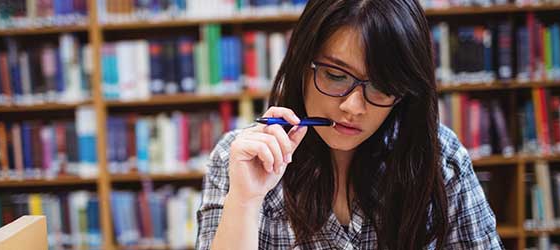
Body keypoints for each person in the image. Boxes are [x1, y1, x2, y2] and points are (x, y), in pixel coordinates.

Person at [196, 0, 503, 249]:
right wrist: (245, 202)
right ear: (302, 65)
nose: (353, 107)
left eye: (382, 85)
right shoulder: (239, 159)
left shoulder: (441, 159)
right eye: (335, 75)